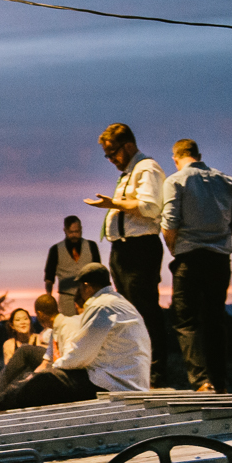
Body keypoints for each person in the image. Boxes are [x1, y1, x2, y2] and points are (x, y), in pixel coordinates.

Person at [0, 263, 149, 412]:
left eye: (79, 287)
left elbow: (81, 354)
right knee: (44, 372)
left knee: (46, 380)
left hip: (112, 384)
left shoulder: (100, 307)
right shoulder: (120, 303)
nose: (79, 292)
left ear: (87, 285)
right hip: (125, 379)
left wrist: (54, 369)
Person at [84, 123, 169, 386]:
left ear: (128, 146)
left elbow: (149, 207)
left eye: (113, 153)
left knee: (144, 311)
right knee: (127, 313)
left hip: (139, 248)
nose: (110, 160)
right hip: (122, 248)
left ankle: (155, 374)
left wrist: (113, 204)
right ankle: (135, 371)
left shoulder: (147, 168)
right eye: (107, 156)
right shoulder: (129, 172)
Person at [161, 138, 232, 393]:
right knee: (215, 320)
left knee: (186, 321)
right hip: (220, 259)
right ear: (199, 154)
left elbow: (169, 223)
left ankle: (200, 381)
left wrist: (174, 249)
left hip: (189, 257)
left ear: (175, 158)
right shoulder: (227, 181)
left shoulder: (175, 181)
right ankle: (220, 381)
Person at [0, 295, 61, 395]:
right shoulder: (9, 344)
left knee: (26, 350)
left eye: (25, 319)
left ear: (30, 322)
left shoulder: (40, 338)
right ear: (12, 325)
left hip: (36, 379)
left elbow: (47, 360)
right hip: (17, 381)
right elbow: (9, 370)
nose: (22, 322)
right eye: (18, 320)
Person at [43, 215, 101, 310]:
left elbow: (99, 272)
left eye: (77, 232)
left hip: (89, 299)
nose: (74, 235)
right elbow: (49, 277)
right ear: (65, 230)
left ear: (81, 229)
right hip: (66, 300)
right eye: (71, 232)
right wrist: (49, 296)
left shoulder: (91, 246)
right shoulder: (55, 250)